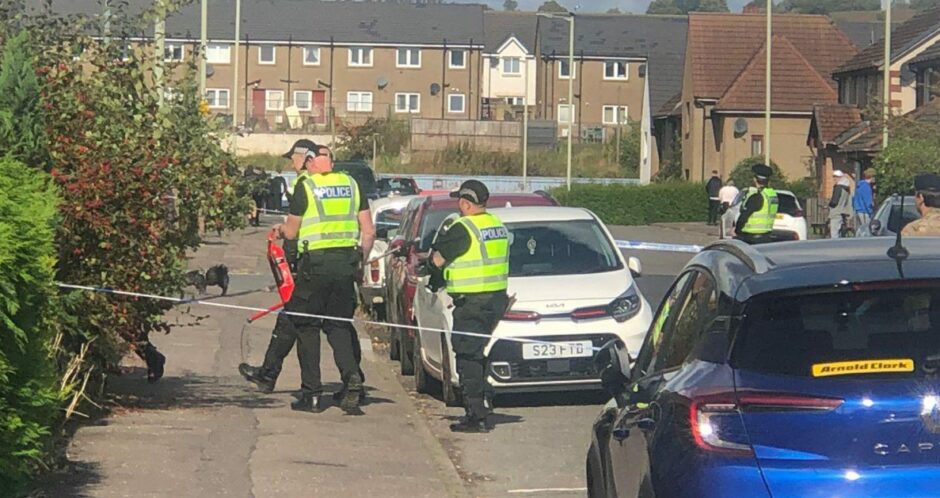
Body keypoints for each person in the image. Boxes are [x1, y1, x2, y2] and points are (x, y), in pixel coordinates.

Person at [244, 139, 375, 414]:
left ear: (311, 161)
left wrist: (280, 231)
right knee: (338, 325)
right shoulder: (352, 184)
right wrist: (359, 264)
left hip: (314, 265)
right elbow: (369, 231)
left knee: (306, 326)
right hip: (345, 265)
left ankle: (311, 395)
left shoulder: (307, 185)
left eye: (303, 161)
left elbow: (292, 233)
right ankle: (352, 379)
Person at [429, 180, 510, 433]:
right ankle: (485, 398)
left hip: (472, 302)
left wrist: (433, 275)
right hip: (495, 299)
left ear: (465, 203)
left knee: (466, 355)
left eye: (459, 202)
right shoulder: (496, 224)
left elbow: (437, 261)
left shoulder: (462, 228)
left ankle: (476, 415)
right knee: (476, 351)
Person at [734, 164, 778, 245]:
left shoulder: (756, 197)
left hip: (751, 239)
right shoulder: (772, 195)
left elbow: (744, 216)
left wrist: (736, 231)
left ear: (755, 179)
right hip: (766, 237)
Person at [828, 170, 854, 238]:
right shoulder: (846, 189)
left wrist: (830, 204)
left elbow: (834, 201)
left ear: (840, 178)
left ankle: (834, 247)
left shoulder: (838, 188)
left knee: (834, 233)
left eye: (836, 177)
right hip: (843, 212)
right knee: (840, 233)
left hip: (836, 212)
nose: (834, 179)